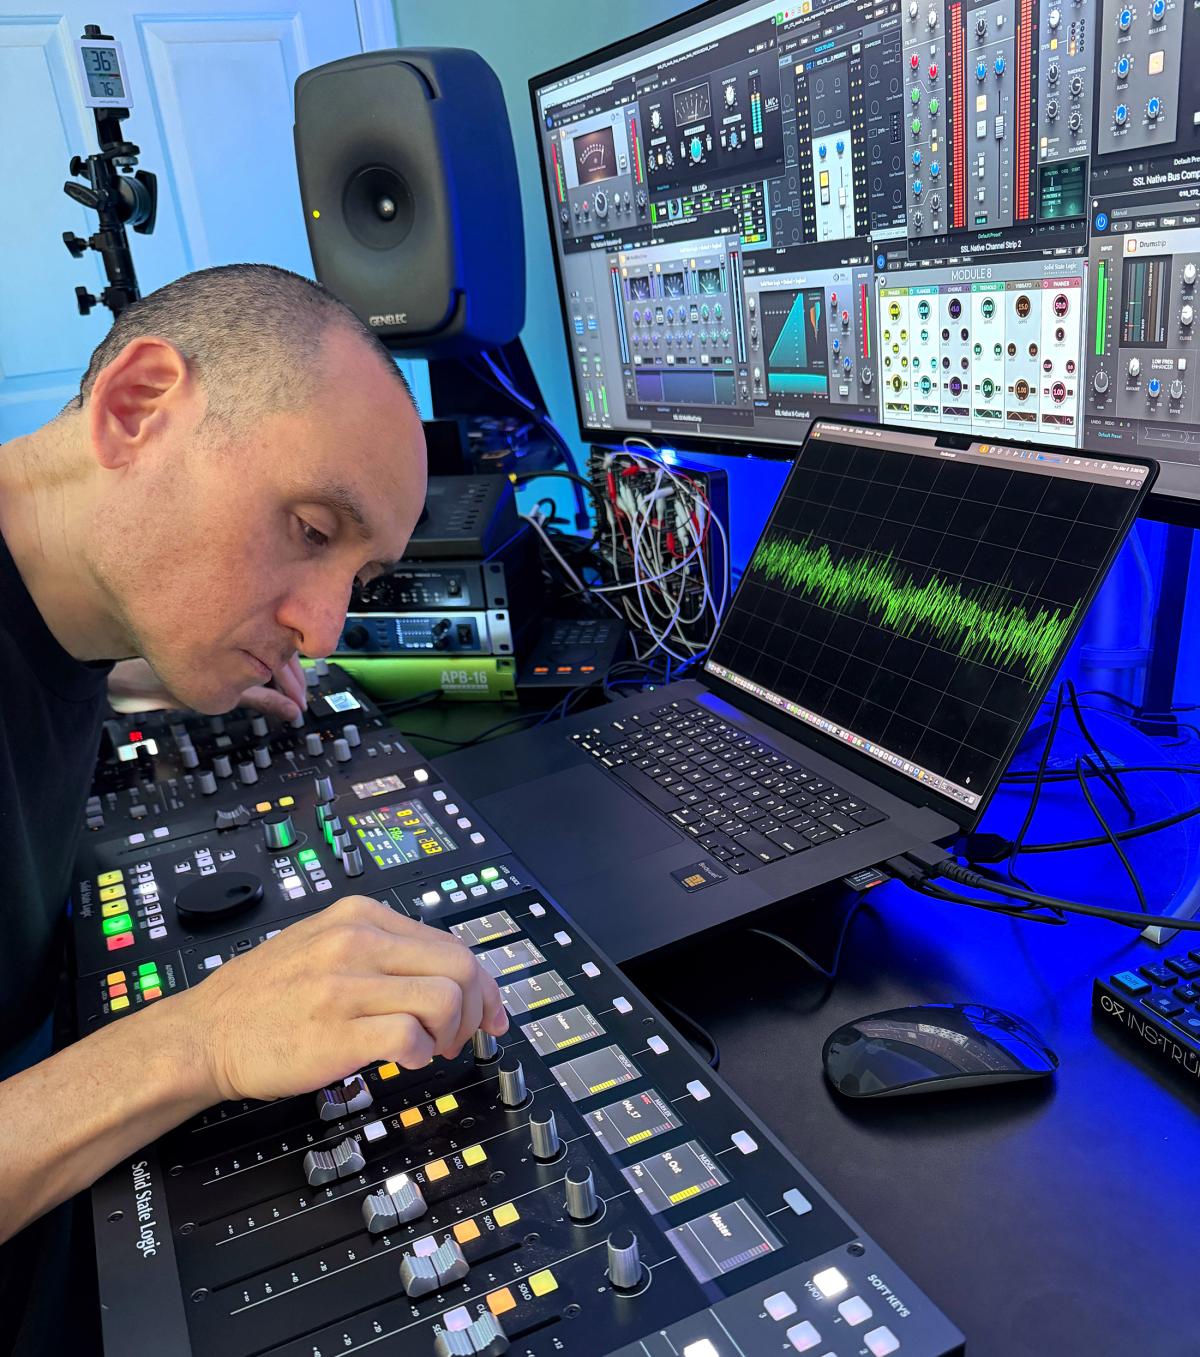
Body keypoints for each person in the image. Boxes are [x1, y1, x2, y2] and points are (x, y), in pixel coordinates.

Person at [0, 265, 507, 1351]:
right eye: (312, 529)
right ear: (136, 407)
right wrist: (202, 1037)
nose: (322, 630)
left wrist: (135, 665)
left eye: (359, 578)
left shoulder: (61, 612)